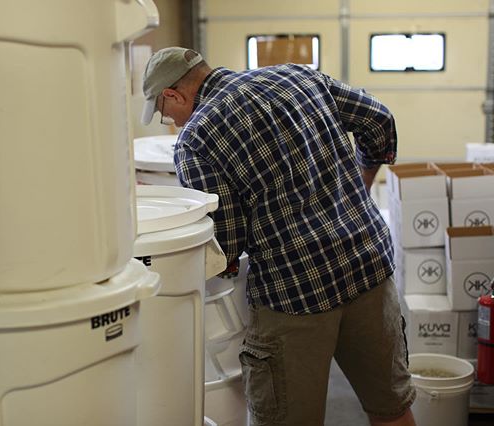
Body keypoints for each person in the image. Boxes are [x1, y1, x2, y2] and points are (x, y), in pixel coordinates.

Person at [141, 47, 416, 426]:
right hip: (368, 265)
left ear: (174, 95)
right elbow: (379, 120)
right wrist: (361, 184)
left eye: (162, 111)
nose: (167, 121)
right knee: (391, 409)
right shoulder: (297, 77)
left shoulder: (196, 140)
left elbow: (226, 241)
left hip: (295, 293)